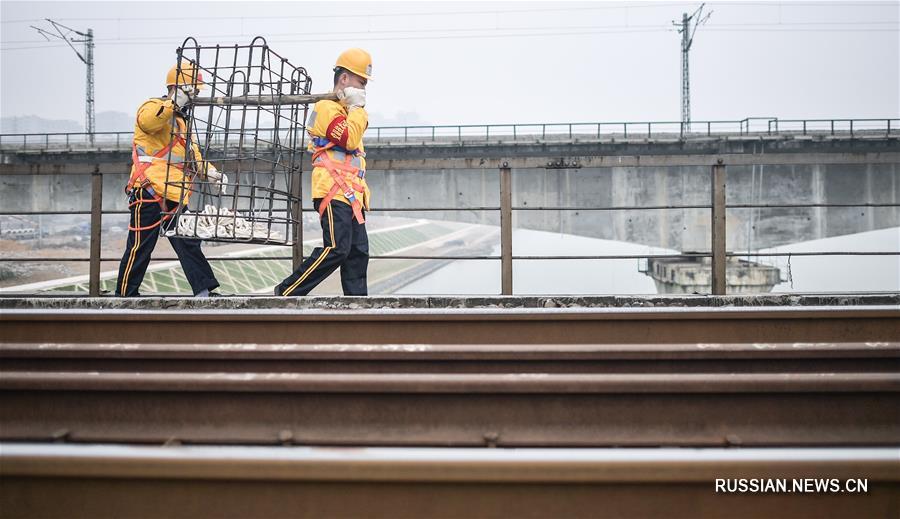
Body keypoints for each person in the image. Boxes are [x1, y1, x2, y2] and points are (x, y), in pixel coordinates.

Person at [115, 61, 224, 297]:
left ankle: (204, 291)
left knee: (187, 241)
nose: (194, 97)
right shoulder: (153, 107)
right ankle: (124, 295)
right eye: (192, 91)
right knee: (140, 244)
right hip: (149, 190)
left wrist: (211, 173)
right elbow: (149, 122)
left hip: (174, 192)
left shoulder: (183, 124)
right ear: (178, 88)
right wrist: (173, 103)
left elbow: (193, 158)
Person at [275, 48, 373, 296]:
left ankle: (358, 307)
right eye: (361, 82)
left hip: (352, 195)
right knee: (337, 248)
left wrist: (355, 109)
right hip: (333, 190)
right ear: (344, 79)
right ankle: (287, 291)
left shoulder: (349, 112)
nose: (364, 89)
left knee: (358, 252)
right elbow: (349, 139)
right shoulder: (326, 109)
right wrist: (358, 108)